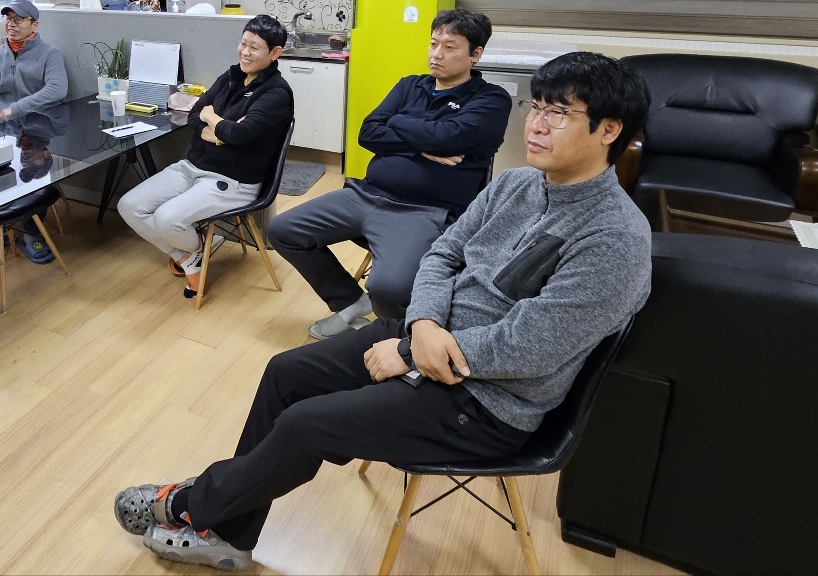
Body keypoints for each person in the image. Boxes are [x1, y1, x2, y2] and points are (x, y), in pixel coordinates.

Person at [112, 51, 653, 571]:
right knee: (286, 372)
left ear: (609, 130)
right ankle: (230, 531)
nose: (536, 124)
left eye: (559, 113)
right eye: (536, 107)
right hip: (429, 339)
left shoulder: (614, 239)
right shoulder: (517, 184)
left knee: (305, 424)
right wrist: (421, 328)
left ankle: (191, 506)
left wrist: (409, 354)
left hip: (487, 402)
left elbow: (529, 349)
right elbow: (443, 254)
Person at [268, 8, 510, 336]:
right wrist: (421, 147)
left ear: (475, 54)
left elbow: (447, 138)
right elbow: (368, 132)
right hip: (365, 194)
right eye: (433, 43)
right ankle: (350, 302)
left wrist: (397, 121)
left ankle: (393, 337)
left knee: (389, 288)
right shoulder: (410, 85)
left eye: (450, 47)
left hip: (423, 210)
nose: (437, 54)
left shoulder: (491, 99)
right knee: (283, 230)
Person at [118, 15, 294, 296]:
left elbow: (238, 134)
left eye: (255, 47)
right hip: (193, 166)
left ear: (275, 53)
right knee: (129, 206)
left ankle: (192, 255)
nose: (245, 52)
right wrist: (221, 130)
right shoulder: (231, 76)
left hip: (234, 180)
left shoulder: (277, 93)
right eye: (243, 43)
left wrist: (213, 118)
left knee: (166, 219)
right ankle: (191, 255)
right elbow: (194, 116)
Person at [0, 0, 68, 264]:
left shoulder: (49, 54)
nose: (11, 24)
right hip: (3, 132)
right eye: (8, 18)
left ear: (35, 25)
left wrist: (16, 109)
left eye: (19, 19)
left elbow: (57, 89)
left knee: (37, 172)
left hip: (40, 129)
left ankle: (32, 232)